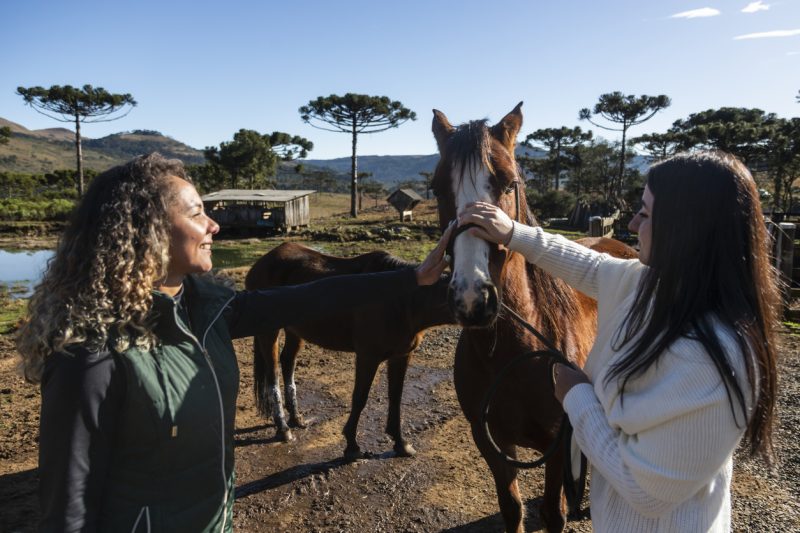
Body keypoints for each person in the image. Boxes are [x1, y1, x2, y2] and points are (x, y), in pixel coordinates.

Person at [16, 152, 452, 532]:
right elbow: (67, 507)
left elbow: (311, 296)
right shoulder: (90, 354)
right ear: (145, 231)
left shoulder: (208, 311)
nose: (214, 225)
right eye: (196, 213)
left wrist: (411, 278)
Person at [458, 150, 778, 532]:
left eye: (645, 213)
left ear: (685, 229)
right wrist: (512, 231)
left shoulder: (715, 359)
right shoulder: (654, 285)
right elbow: (590, 265)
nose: (631, 222)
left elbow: (645, 492)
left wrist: (576, 396)